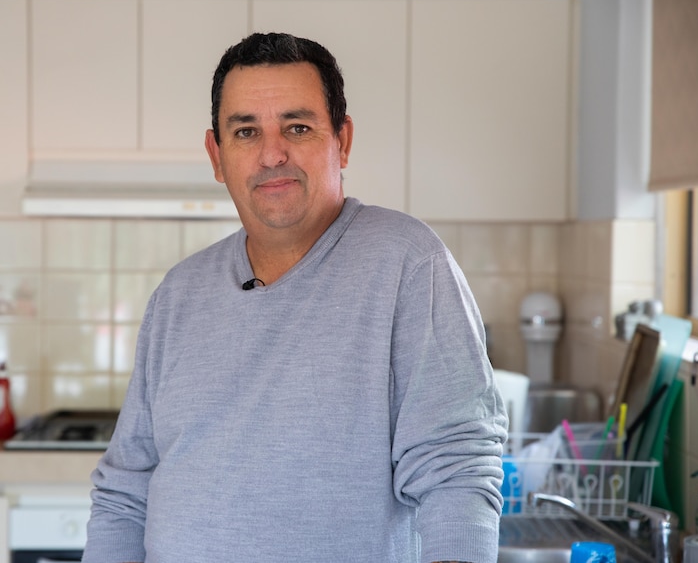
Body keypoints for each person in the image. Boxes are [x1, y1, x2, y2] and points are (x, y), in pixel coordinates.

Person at [82, 32, 508, 563]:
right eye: (245, 131)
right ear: (217, 155)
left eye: (297, 127)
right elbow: (125, 494)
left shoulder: (408, 263)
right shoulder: (179, 293)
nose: (271, 153)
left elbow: (455, 472)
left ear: (342, 141)